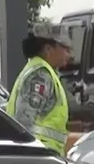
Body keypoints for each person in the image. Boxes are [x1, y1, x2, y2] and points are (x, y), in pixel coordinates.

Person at [4, 23, 73, 156]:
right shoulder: (40, 75)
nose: (69, 54)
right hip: (38, 156)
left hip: (42, 155)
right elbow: (24, 122)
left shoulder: (43, 71)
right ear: (48, 49)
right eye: (65, 48)